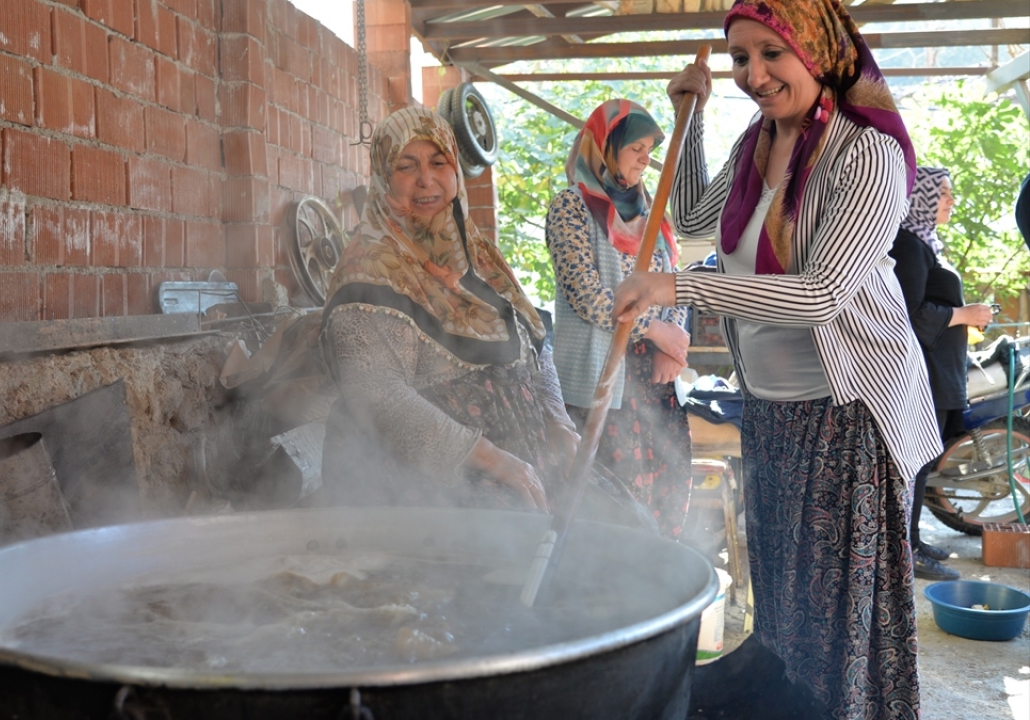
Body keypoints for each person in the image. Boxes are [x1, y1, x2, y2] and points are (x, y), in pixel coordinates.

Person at [613, 0, 941, 717]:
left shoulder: (868, 153)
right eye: (740, 58)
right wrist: (690, 116)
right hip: (771, 410)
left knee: (837, 624)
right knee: (788, 611)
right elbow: (697, 215)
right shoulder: (757, 145)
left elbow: (821, 294)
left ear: (818, 49)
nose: (754, 75)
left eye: (772, 52)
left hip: (847, 418)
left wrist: (676, 286)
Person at [318, 107, 650, 527]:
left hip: (522, 454)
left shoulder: (478, 256)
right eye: (406, 167)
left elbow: (534, 344)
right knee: (516, 550)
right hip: (426, 471)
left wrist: (558, 423)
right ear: (384, 178)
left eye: (438, 163)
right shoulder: (369, 268)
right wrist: (490, 459)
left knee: (629, 524)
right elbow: (378, 395)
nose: (426, 180)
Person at [546, 99, 694, 539]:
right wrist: (656, 330)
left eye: (650, 150)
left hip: (654, 382)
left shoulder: (652, 215)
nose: (646, 159)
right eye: (636, 148)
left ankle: (657, 586)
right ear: (605, 147)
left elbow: (674, 279)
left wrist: (675, 341)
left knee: (662, 496)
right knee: (611, 507)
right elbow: (587, 296)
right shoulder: (571, 209)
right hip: (603, 382)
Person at [890, 166, 995, 582]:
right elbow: (909, 316)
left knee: (924, 462)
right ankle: (905, 552)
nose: (951, 200)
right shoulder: (909, 247)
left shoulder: (925, 244)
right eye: (944, 193)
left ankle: (912, 540)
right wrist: (964, 314)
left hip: (939, 372)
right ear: (921, 197)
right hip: (923, 374)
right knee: (914, 465)